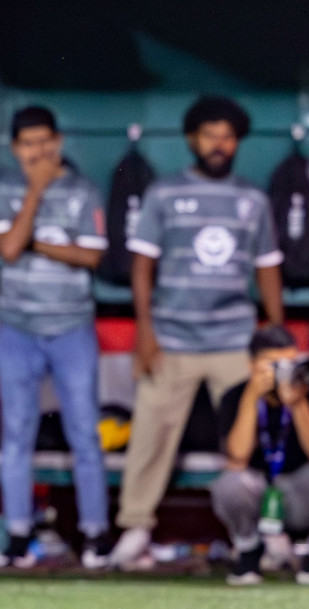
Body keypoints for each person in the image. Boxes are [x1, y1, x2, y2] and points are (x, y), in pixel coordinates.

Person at [102, 95, 285, 570]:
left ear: (238, 142)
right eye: (210, 135)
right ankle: (135, 529)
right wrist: (145, 330)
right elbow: (143, 265)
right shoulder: (164, 194)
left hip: (234, 340)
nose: (219, 144)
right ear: (192, 139)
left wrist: (277, 333)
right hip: (173, 338)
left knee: (256, 433)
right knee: (150, 435)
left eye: (227, 136)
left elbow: (267, 269)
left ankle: (268, 532)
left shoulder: (253, 199)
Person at [0, 106, 110, 567]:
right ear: (15, 148)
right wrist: (36, 194)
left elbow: (91, 256)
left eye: (45, 142)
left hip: (73, 326)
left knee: (84, 432)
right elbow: (10, 248)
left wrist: (38, 241)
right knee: (17, 432)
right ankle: (18, 532)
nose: (38, 152)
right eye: (28, 144)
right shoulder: (1, 189)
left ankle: (94, 533)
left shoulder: (83, 189)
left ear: (58, 141)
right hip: (17, 326)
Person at [211, 326, 309, 586]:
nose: (282, 370)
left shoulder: (307, 393)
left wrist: (298, 404)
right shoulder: (235, 396)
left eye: (289, 362)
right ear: (252, 365)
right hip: (259, 492)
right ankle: (248, 549)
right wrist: (251, 398)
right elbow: (237, 458)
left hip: (299, 492)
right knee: (230, 484)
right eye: (273, 364)